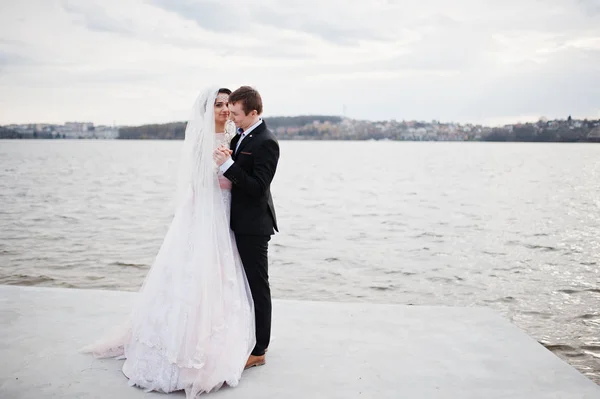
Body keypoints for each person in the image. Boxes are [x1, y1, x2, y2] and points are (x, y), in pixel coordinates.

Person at [81, 87, 255, 398]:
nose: (225, 110)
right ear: (207, 109)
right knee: (192, 273)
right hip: (207, 210)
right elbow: (198, 180)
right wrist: (221, 167)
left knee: (222, 273)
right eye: (218, 105)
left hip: (228, 212)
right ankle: (179, 348)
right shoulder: (203, 139)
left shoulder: (233, 134)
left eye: (228, 104)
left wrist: (228, 166)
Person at [213, 86, 279, 369]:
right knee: (241, 285)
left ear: (253, 113)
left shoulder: (266, 142)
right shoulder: (242, 134)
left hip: (253, 226)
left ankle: (260, 349)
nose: (232, 117)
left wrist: (228, 165)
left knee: (257, 287)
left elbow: (258, 188)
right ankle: (244, 336)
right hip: (237, 221)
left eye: (237, 113)